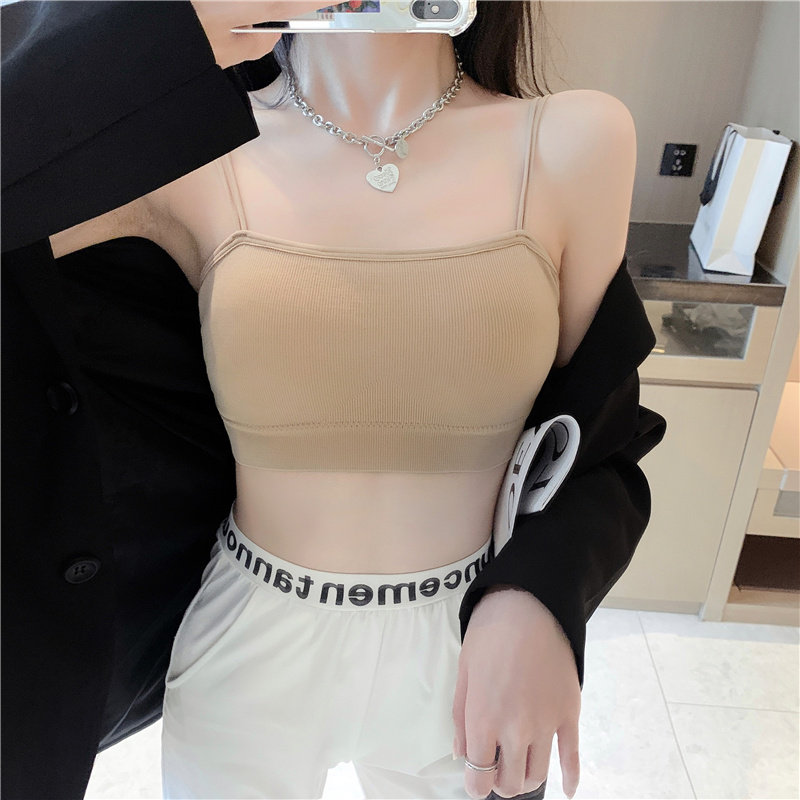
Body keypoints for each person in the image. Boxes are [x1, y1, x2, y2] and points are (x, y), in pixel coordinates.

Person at [2, 2, 666, 799]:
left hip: (474, 637)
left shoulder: (575, 141)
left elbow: (600, 427)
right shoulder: (189, 153)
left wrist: (542, 594)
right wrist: (165, 27)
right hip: (251, 635)